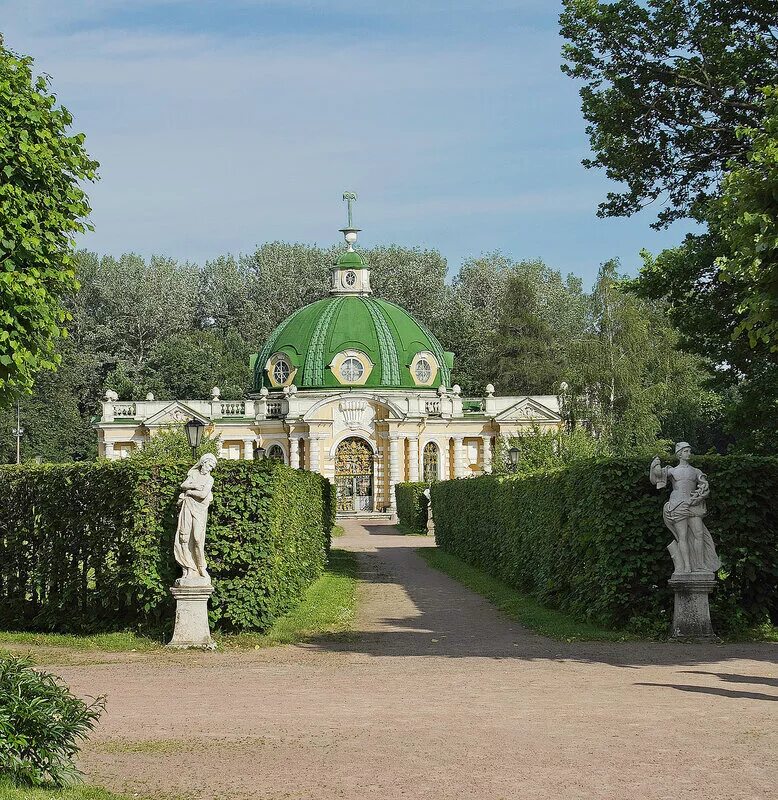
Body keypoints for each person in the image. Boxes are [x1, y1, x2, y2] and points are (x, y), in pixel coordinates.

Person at [649, 442, 720, 574]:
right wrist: (655, 464)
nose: (689, 453)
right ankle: (687, 566)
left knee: (699, 534)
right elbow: (656, 477)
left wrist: (699, 498)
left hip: (693, 505)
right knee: (683, 536)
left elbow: (705, 488)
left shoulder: (696, 471)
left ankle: (699, 565)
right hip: (677, 505)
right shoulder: (672, 470)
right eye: (686, 451)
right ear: (679, 454)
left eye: (689, 451)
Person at [173, 453, 217, 584]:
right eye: (209, 465)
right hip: (188, 507)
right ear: (203, 463)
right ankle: (188, 568)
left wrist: (190, 492)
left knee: (197, 538)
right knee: (184, 537)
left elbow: (203, 495)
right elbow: (183, 485)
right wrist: (194, 487)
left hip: (200, 510)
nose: (210, 469)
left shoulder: (210, 479)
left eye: (212, 467)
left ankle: (201, 567)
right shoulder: (193, 474)